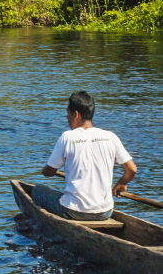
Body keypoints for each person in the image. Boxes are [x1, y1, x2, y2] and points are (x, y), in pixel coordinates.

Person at [32, 91, 137, 221]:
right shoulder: (110, 137)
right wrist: (121, 183)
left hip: (74, 211)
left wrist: (45, 171)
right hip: (105, 212)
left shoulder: (67, 137)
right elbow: (132, 169)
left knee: (37, 190)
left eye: (68, 113)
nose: (66, 117)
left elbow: (50, 171)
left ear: (76, 114)